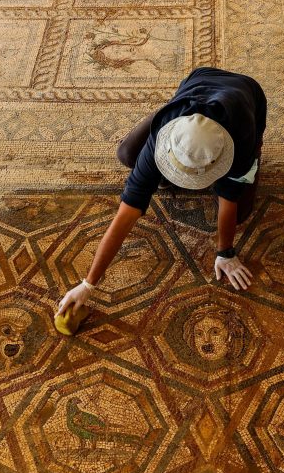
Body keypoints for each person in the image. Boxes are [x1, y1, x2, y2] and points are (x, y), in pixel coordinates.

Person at [57, 67, 266, 317]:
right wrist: (88, 284)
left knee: (241, 211)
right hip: (195, 85)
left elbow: (228, 199)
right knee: (126, 155)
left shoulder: (240, 138)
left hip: (246, 93)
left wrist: (225, 252)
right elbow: (126, 213)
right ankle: (167, 109)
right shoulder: (163, 136)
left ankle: (255, 155)